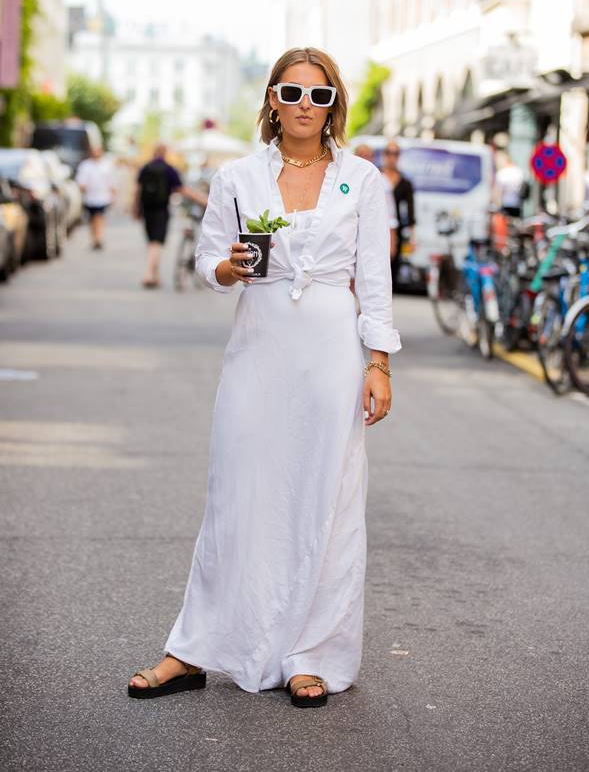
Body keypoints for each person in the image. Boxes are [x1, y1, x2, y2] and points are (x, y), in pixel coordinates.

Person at [127, 47, 401, 708]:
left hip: (330, 353)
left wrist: (379, 362)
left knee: (323, 500)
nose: (306, 106)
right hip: (259, 345)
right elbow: (207, 258)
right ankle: (192, 648)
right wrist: (228, 270)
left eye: (320, 96)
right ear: (272, 100)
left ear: (333, 106)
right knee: (237, 493)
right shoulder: (238, 177)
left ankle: (311, 654)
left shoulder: (362, 181)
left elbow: (375, 281)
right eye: (293, 92)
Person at [134, 144, 205, 288]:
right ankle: (148, 274)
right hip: (161, 209)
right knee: (157, 242)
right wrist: (202, 199)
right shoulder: (168, 169)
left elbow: (138, 189)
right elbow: (181, 188)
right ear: (165, 153)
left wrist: (135, 208)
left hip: (147, 209)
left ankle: (156, 276)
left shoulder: (145, 168)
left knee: (152, 242)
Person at [381, 142, 415, 293]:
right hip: (375, 227)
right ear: (384, 154)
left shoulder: (405, 182)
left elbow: (410, 211)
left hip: (396, 230)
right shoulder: (375, 175)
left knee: (392, 269)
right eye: (389, 152)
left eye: (395, 153)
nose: (392, 157)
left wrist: (412, 237)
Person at [356, 144, 399, 261]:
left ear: (372, 158)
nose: (364, 159)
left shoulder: (382, 181)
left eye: (367, 156)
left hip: (372, 235)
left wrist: (392, 243)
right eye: (360, 155)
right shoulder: (346, 180)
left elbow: (391, 215)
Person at [75, 147, 116, 250]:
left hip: (103, 197)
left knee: (99, 217)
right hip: (90, 197)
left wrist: (113, 193)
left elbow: (111, 181)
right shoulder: (85, 165)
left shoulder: (106, 165)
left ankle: (99, 238)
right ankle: (94, 238)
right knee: (92, 219)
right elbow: (81, 181)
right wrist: (83, 188)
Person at [494, 153, 525, 217]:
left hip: (505, 203)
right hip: (517, 203)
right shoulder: (519, 171)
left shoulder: (502, 172)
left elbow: (498, 190)